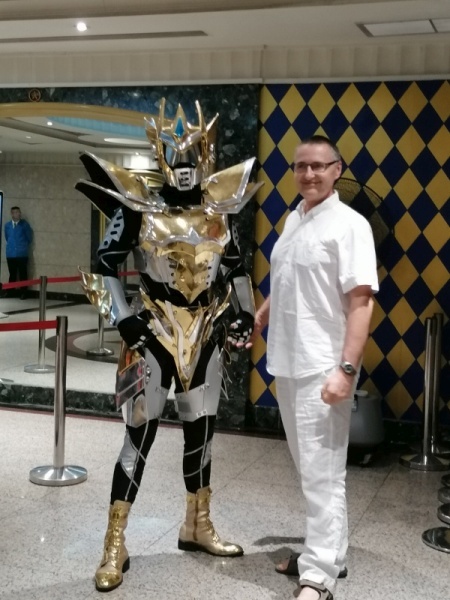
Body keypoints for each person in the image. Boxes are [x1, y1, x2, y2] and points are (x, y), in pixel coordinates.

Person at [76, 98, 261, 592]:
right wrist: (123, 319)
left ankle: (197, 525)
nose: (182, 166)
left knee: (202, 433)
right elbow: (105, 265)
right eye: (174, 157)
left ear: (204, 156)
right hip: (153, 332)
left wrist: (244, 312)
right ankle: (114, 543)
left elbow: (236, 269)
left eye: (191, 156)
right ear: (161, 157)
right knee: (138, 437)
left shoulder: (221, 209)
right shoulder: (139, 206)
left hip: (204, 334)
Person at [243, 135, 378, 600]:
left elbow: (361, 303)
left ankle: (318, 576)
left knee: (323, 474)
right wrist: (264, 312)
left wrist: (346, 369)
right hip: (287, 360)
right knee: (312, 471)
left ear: (337, 169)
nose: (309, 174)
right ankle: (329, 553)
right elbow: (289, 277)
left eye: (319, 166)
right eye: (301, 166)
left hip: (323, 365)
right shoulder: (294, 218)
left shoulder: (351, 225)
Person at [4, 206, 33, 299]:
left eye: (19, 212)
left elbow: (29, 238)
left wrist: (22, 246)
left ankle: (24, 292)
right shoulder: (7, 225)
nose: (18, 214)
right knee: (12, 274)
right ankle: (10, 292)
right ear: (12, 214)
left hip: (22, 254)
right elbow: (7, 237)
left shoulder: (25, 225)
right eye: (16, 212)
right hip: (10, 254)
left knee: (23, 274)